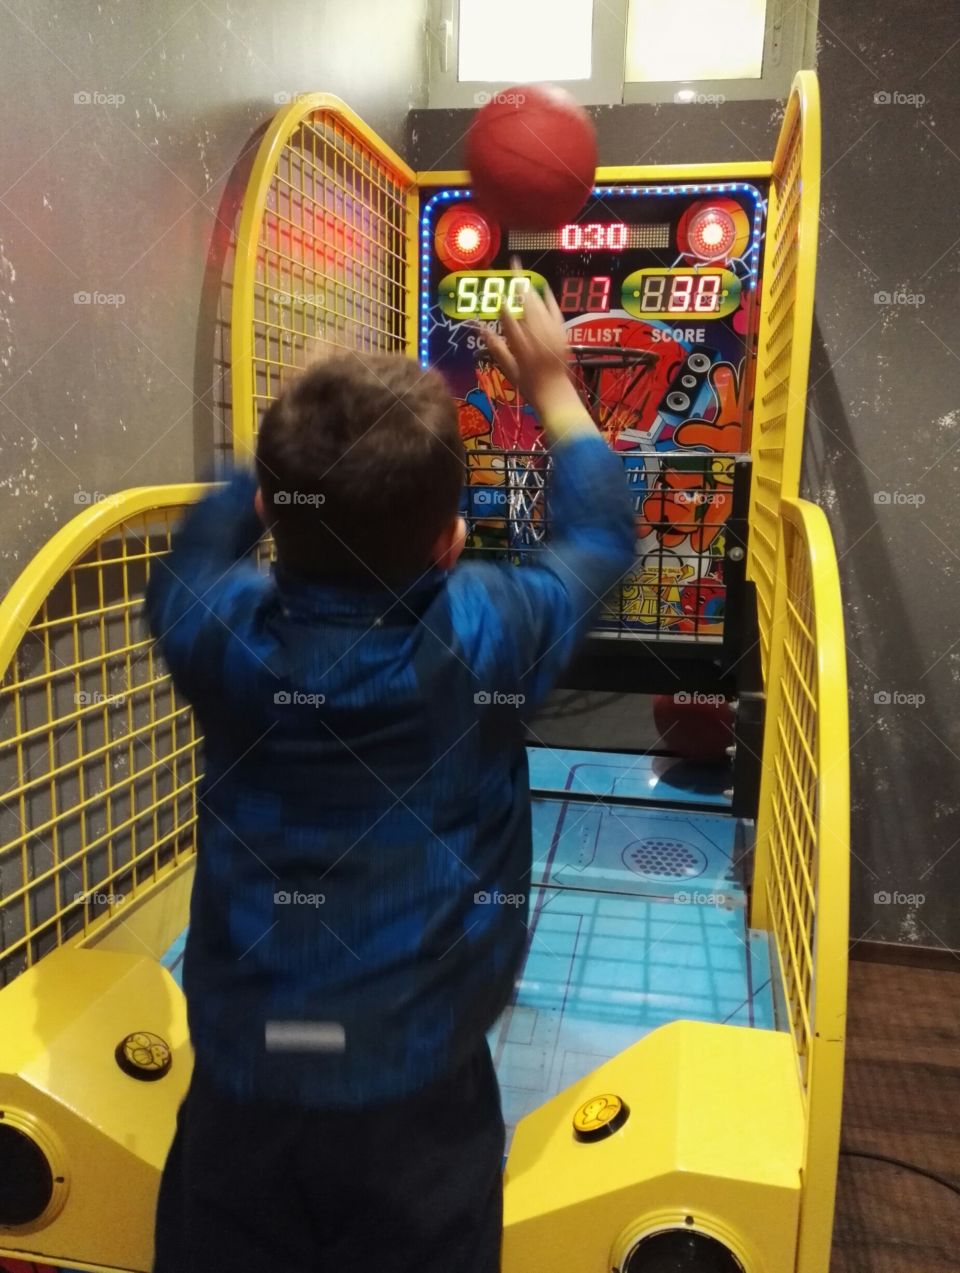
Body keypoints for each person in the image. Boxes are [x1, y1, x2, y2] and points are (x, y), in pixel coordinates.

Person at [146, 280, 635, 1273]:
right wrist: (555, 389)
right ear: (450, 542)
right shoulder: (489, 631)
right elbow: (600, 540)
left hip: (246, 1083)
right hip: (418, 1091)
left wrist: (300, 422)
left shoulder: (215, 630)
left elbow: (204, 543)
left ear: (273, 510)